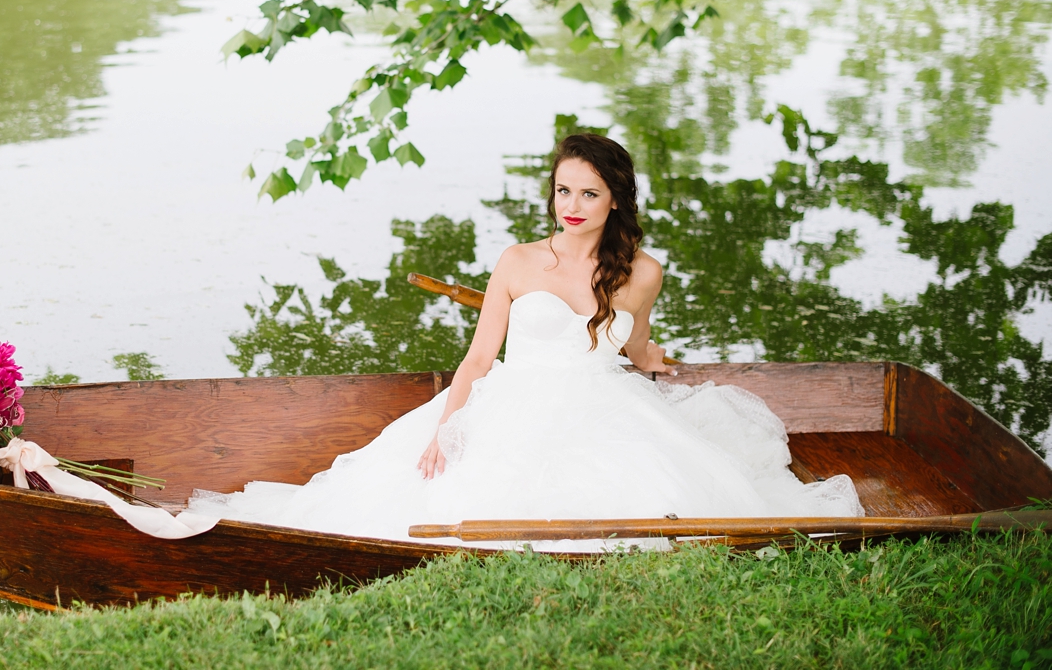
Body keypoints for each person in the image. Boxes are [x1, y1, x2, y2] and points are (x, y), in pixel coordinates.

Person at [188, 134, 863, 547]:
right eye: (563, 190)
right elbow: (479, 358)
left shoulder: (643, 272)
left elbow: (634, 346)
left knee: (656, 492)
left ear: (616, 201)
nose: (571, 205)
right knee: (434, 488)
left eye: (588, 194)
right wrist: (445, 429)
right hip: (513, 397)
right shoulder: (516, 261)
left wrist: (655, 361)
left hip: (604, 402)